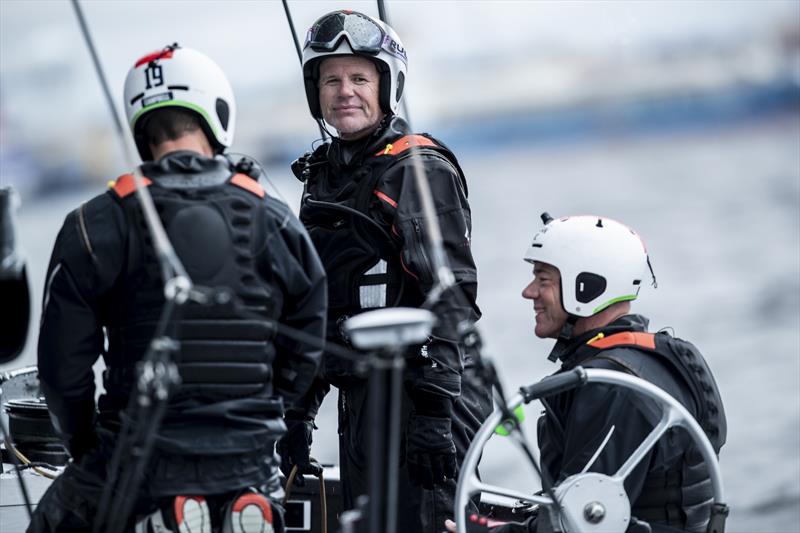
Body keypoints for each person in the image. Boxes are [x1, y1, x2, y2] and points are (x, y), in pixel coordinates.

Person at [29, 44, 327, 533]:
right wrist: (265, 412)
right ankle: (239, 506)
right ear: (217, 113)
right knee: (251, 486)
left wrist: (86, 447)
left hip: (138, 463)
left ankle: (169, 516)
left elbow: (62, 371)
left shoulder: (93, 223)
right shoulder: (275, 219)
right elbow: (307, 343)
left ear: (140, 127)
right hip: (247, 458)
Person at [278, 10, 492, 532]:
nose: (344, 91)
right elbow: (319, 307)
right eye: (332, 79)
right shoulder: (323, 180)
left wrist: (435, 416)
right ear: (316, 91)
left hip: (431, 396)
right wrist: (298, 412)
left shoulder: (417, 170)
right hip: (364, 399)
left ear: (386, 85)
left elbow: (452, 297)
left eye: (359, 78)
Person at [448, 213, 727, 533]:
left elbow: (582, 522)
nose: (529, 292)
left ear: (587, 287)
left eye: (543, 279)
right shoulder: (666, 358)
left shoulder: (612, 388)